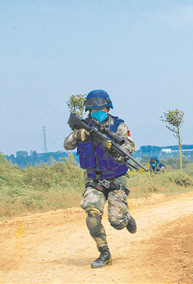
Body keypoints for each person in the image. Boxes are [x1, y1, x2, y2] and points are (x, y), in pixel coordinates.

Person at [64, 89, 137, 269]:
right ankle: (104, 253)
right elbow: (67, 145)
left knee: (116, 222)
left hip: (116, 179)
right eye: (93, 109)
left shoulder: (119, 126)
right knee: (92, 216)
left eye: (102, 109)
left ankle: (125, 218)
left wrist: (114, 148)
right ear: (88, 111)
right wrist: (76, 135)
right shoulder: (83, 127)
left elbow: (129, 149)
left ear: (108, 108)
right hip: (94, 181)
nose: (98, 112)